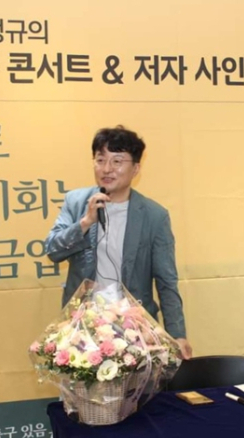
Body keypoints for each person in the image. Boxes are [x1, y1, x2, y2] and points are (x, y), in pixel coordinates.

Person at [45, 125, 192, 359]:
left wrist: (177, 334)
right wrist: (85, 223)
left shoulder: (154, 216)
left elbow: (166, 281)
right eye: (100, 160)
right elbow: (53, 251)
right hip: (82, 328)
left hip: (135, 329)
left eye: (117, 161)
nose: (107, 169)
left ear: (136, 169)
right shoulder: (76, 202)